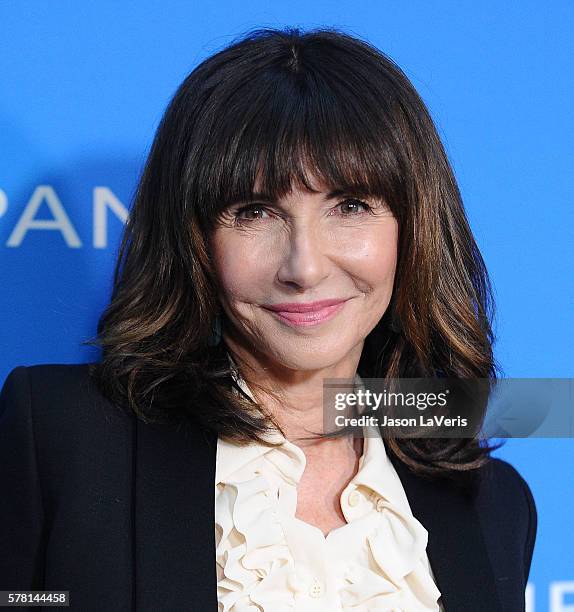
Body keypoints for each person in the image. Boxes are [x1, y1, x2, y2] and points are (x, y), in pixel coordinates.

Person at [0, 27, 536, 612]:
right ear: (194, 238)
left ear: (414, 231)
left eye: (350, 206)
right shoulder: (64, 436)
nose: (304, 267)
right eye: (253, 212)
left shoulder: (492, 505)